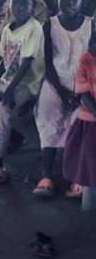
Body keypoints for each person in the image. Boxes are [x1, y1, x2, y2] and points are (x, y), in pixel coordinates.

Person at [33, 0, 90, 199]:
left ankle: (76, 178)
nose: (69, 2)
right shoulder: (50, 25)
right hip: (55, 81)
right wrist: (62, 91)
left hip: (83, 85)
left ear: (82, 0)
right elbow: (47, 64)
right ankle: (46, 175)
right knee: (47, 114)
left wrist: (80, 92)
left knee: (80, 121)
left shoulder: (90, 25)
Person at [0, 0, 45, 183]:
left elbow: (26, 64)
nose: (20, 7)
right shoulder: (7, 30)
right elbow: (5, 62)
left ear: (33, 6)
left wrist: (9, 90)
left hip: (28, 84)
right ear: (9, 3)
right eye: (16, 2)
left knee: (6, 112)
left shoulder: (34, 28)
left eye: (25, 3)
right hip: (10, 82)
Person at [63, 30, 96, 211]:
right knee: (91, 171)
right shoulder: (86, 59)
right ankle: (89, 214)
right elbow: (83, 94)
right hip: (90, 124)